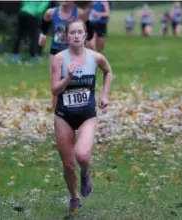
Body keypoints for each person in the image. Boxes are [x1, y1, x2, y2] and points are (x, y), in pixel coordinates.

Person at [51, 18, 113, 214]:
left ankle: (86, 174)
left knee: (82, 155)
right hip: (63, 115)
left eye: (80, 32)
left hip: (87, 114)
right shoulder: (59, 59)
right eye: (73, 33)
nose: (76, 36)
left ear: (85, 35)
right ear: (66, 36)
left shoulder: (95, 57)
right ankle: (73, 197)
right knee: (68, 164)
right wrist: (67, 78)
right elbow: (54, 90)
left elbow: (108, 72)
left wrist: (104, 95)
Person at [38, 1, 94, 112]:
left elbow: (90, 33)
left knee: (75, 83)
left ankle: (77, 112)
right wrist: (42, 36)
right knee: (56, 84)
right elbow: (42, 28)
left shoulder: (79, 14)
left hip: (74, 53)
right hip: (55, 52)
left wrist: (83, 42)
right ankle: (56, 114)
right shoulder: (50, 13)